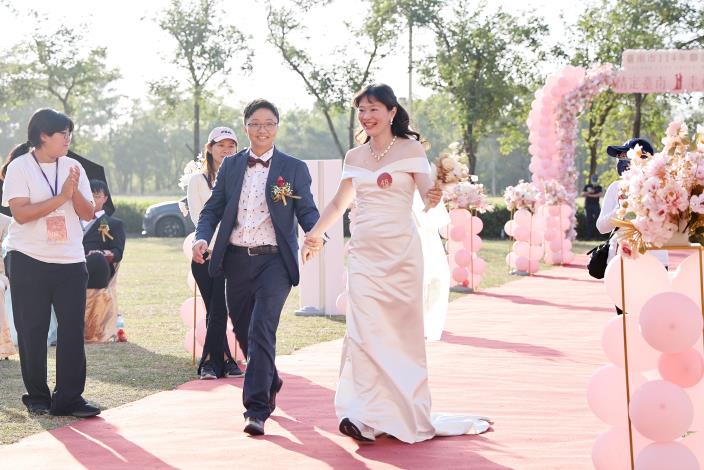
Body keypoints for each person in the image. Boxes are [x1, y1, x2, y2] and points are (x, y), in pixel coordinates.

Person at [302, 84, 491, 443]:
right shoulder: (354, 156)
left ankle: (403, 412)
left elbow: (427, 198)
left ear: (391, 112)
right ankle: (363, 416)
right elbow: (339, 204)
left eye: (373, 109)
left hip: (402, 256)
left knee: (400, 338)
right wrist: (315, 234)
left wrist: (435, 194)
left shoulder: (410, 149)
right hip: (364, 256)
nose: (366, 116)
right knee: (363, 333)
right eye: (361, 110)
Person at [192, 99, 322, 436]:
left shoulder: (293, 168)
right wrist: (202, 237)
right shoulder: (232, 165)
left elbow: (307, 209)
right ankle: (270, 379)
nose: (262, 130)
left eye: (268, 123)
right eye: (255, 123)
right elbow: (212, 209)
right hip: (235, 260)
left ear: (277, 127)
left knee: (262, 328)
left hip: (275, 262)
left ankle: (256, 409)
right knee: (243, 330)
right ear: (246, 126)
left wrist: (317, 234)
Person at [2, 108, 100, 417]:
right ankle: (38, 397)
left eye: (70, 134)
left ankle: (70, 398)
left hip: (70, 260)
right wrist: (60, 198)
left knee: (72, 329)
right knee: (33, 330)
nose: (68, 139)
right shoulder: (20, 167)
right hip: (27, 258)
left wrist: (74, 194)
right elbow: (20, 214)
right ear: (43, 136)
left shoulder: (73, 166)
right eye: (63, 134)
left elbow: (87, 213)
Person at [187, 126, 243, 380]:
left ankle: (214, 361)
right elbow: (201, 218)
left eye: (231, 146)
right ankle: (218, 360)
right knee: (216, 309)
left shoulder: (241, 178)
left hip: (233, 254)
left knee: (219, 310)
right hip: (206, 254)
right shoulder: (198, 181)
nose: (226, 150)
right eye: (221, 145)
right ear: (210, 148)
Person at [598, 137, 667, 314]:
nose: (621, 161)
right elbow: (601, 227)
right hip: (621, 262)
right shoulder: (616, 187)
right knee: (625, 321)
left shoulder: (662, 186)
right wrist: (621, 209)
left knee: (653, 318)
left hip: (655, 261)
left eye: (625, 156)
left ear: (644, 159)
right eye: (619, 157)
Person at [82, 180, 125, 289]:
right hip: (72, 263)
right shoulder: (72, 221)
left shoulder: (113, 224)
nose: (92, 199)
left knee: (97, 258)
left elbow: (118, 252)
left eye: (96, 196)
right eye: (88, 195)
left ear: (105, 199)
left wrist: (102, 253)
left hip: (96, 271)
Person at [582, 174, 603, 239]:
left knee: (598, 220)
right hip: (588, 205)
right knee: (589, 220)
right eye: (593, 178)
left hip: (596, 205)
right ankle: (589, 236)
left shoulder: (599, 187)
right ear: (591, 179)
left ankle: (598, 236)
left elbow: (600, 195)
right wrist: (590, 192)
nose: (594, 180)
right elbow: (582, 194)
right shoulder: (587, 186)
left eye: (595, 179)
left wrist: (589, 194)